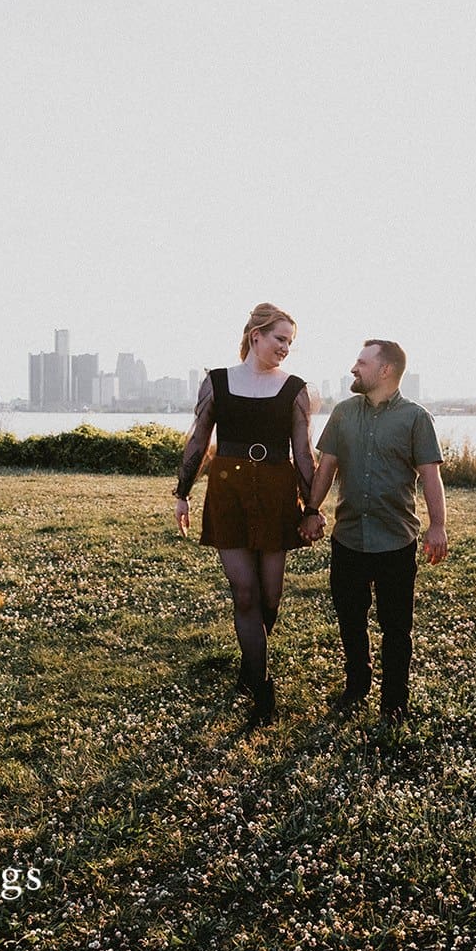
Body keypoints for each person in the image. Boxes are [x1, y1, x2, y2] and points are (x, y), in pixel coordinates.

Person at [174, 303, 319, 729]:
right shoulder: (216, 382)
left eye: (290, 342)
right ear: (255, 335)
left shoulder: (295, 389)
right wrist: (182, 493)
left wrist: (312, 508)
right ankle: (261, 685)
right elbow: (198, 441)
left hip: (276, 490)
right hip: (229, 491)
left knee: (270, 597)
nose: (285, 348)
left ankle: (249, 660)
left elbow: (304, 454)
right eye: (280, 339)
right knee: (244, 594)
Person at [300, 339, 447, 725]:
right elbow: (326, 467)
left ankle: (394, 703)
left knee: (396, 627)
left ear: (385, 370)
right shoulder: (345, 413)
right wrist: (311, 510)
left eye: (362, 363)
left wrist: (438, 526)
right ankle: (357, 686)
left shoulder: (416, 418)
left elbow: (431, 477)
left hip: (396, 540)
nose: (353, 368)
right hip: (348, 538)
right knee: (350, 618)